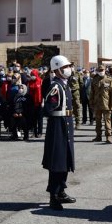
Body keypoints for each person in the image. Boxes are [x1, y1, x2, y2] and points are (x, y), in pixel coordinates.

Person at [42, 55, 76, 210]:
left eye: (69, 66)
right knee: (57, 162)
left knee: (66, 159)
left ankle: (61, 190)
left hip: (66, 124)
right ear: (57, 70)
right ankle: (54, 195)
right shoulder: (55, 86)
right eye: (65, 67)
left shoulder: (65, 84)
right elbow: (49, 108)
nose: (68, 69)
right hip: (58, 125)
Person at [90, 65, 112, 143]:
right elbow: (92, 93)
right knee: (98, 121)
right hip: (97, 104)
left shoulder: (109, 80)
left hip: (106, 104)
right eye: (100, 70)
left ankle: (108, 137)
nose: (101, 72)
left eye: (102, 70)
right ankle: (98, 136)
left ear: (105, 70)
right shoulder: (94, 80)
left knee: (107, 121)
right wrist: (91, 102)